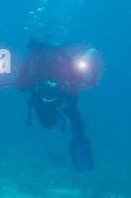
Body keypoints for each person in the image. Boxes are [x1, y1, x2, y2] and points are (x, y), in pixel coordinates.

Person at [13, 38, 100, 171]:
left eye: (38, 51)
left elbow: (78, 77)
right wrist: (36, 86)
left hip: (63, 99)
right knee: (49, 124)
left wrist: (64, 85)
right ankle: (62, 129)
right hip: (42, 102)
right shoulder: (29, 64)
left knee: (77, 126)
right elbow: (20, 84)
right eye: (33, 52)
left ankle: (82, 160)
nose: (37, 55)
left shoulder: (59, 61)